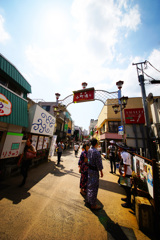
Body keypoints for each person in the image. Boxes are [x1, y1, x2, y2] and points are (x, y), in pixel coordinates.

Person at [86, 138, 103, 210]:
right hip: (94, 171)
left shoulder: (89, 150)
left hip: (89, 169)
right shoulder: (96, 152)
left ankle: (89, 200)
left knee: (89, 185)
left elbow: (88, 159)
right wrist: (101, 171)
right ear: (96, 144)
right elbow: (99, 163)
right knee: (94, 187)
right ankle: (93, 204)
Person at [117, 142, 132, 208]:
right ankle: (127, 198)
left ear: (122, 148)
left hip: (127, 172)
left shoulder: (125, 154)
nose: (118, 148)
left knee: (126, 187)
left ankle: (128, 203)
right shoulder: (123, 153)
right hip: (125, 171)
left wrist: (124, 173)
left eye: (119, 147)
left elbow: (125, 164)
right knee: (125, 186)